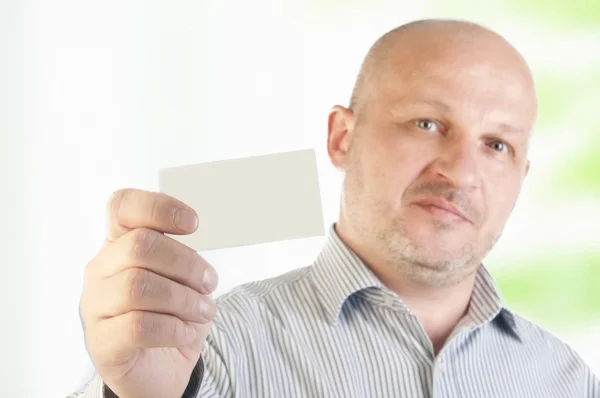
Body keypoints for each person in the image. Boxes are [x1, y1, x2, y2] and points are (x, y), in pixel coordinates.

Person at [72, 19, 599, 397]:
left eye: (497, 145)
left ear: (520, 179)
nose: (460, 171)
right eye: (426, 124)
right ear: (343, 138)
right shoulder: (214, 350)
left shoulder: (565, 379)